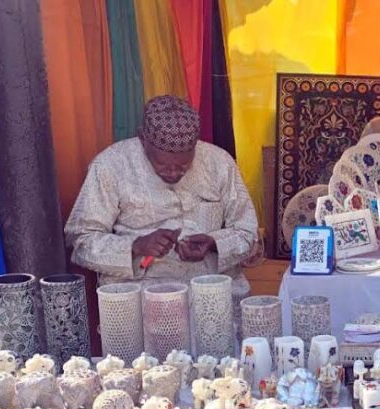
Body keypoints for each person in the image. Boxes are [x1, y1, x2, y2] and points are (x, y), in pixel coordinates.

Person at [64, 95, 260, 298]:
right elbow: (81, 240)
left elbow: (248, 234)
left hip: (212, 288)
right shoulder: (110, 166)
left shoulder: (220, 163)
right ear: (143, 139)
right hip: (139, 293)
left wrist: (214, 244)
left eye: (183, 165)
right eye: (163, 165)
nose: (174, 173)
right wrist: (136, 245)